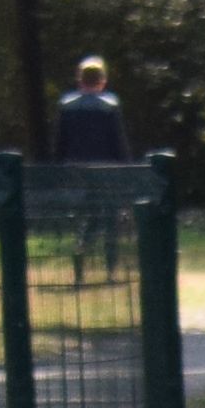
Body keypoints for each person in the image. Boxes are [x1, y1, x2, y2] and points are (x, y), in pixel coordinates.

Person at [50, 51, 129, 276]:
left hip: (77, 173)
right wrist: (126, 170)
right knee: (110, 218)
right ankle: (111, 269)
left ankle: (81, 251)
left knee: (87, 217)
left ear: (80, 80)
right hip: (107, 172)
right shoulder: (110, 106)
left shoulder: (67, 106)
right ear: (102, 80)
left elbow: (60, 144)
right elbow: (119, 143)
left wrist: (58, 171)